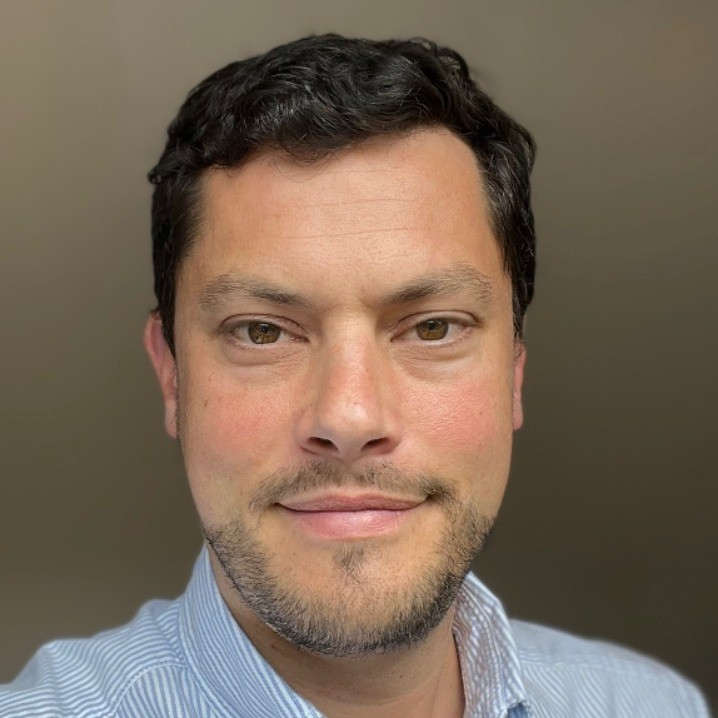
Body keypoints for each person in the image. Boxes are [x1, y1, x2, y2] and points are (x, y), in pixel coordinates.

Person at [0, 34, 709, 718]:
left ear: (513, 374)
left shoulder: (651, 706)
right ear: (171, 377)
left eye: (432, 328)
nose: (349, 418)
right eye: (262, 332)